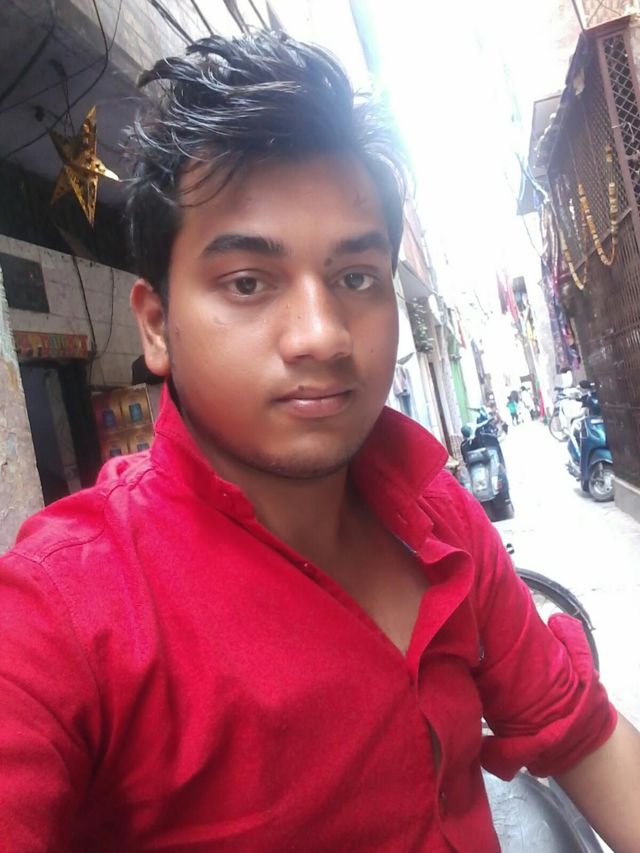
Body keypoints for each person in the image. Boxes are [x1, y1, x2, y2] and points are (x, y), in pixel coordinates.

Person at [1, 31, 639, 852]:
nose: (322, 334)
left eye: (356, 277)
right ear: (156, 326)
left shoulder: (437, 515)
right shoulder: (67, 609)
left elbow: (577, 731)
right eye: (248, 282)